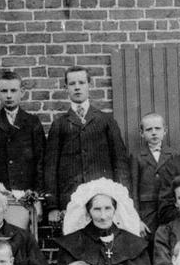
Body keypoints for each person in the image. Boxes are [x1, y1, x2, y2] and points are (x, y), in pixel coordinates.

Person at [43, 66, 130, 223]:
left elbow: (120, 163)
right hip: (70, 200)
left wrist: (122, 200)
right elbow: (50, 168)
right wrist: (52, 206)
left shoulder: (106, 121)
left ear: (89, 85)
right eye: (72, 84)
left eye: (81, 83)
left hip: (102, 198)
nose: (77, 87)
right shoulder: (59, 124)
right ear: (66, 88)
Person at [0, 70, 45, 191]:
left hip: (26, 191)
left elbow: (41, 161)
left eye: (13, 91)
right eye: (4, 91)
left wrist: (37, 192)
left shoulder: (32, 122)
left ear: (22, 92)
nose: (9, 96)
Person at [129, 112, 175, 239]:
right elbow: (133, 189)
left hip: (167, 207)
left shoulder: (172, 154)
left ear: (165, 131)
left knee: (168, 238)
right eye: (149, 129)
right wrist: (136, 218)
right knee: (148, 240)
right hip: (146, 210)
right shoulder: (137, 156)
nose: (154, 132)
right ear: (142, 133)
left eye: (157, 128)